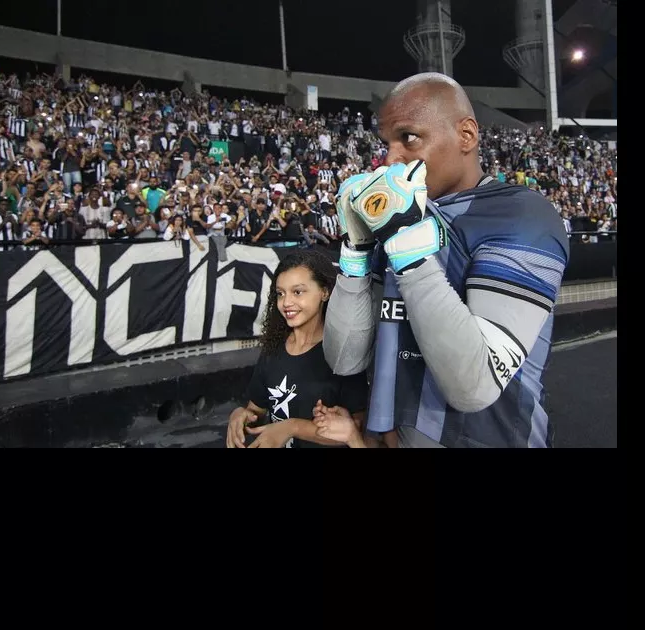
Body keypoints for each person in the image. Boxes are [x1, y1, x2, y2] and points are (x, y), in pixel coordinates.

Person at [319, 73, 569, 449]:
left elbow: (474, 385)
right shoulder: (399, 214)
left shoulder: (522, 215)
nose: (391, 158)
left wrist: (407, 247)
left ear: (466, 136)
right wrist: (355, 248)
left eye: (409, 137)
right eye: (386, 142)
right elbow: (345, 358)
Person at [226, 249, 369, 448]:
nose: (286, 303)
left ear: (325, 292)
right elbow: (256, 411)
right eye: (280, 293)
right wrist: (239, 415)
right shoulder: (273, 350)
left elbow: (355, 430)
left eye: (298, 292)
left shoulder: (343, 353)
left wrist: (293, 427)